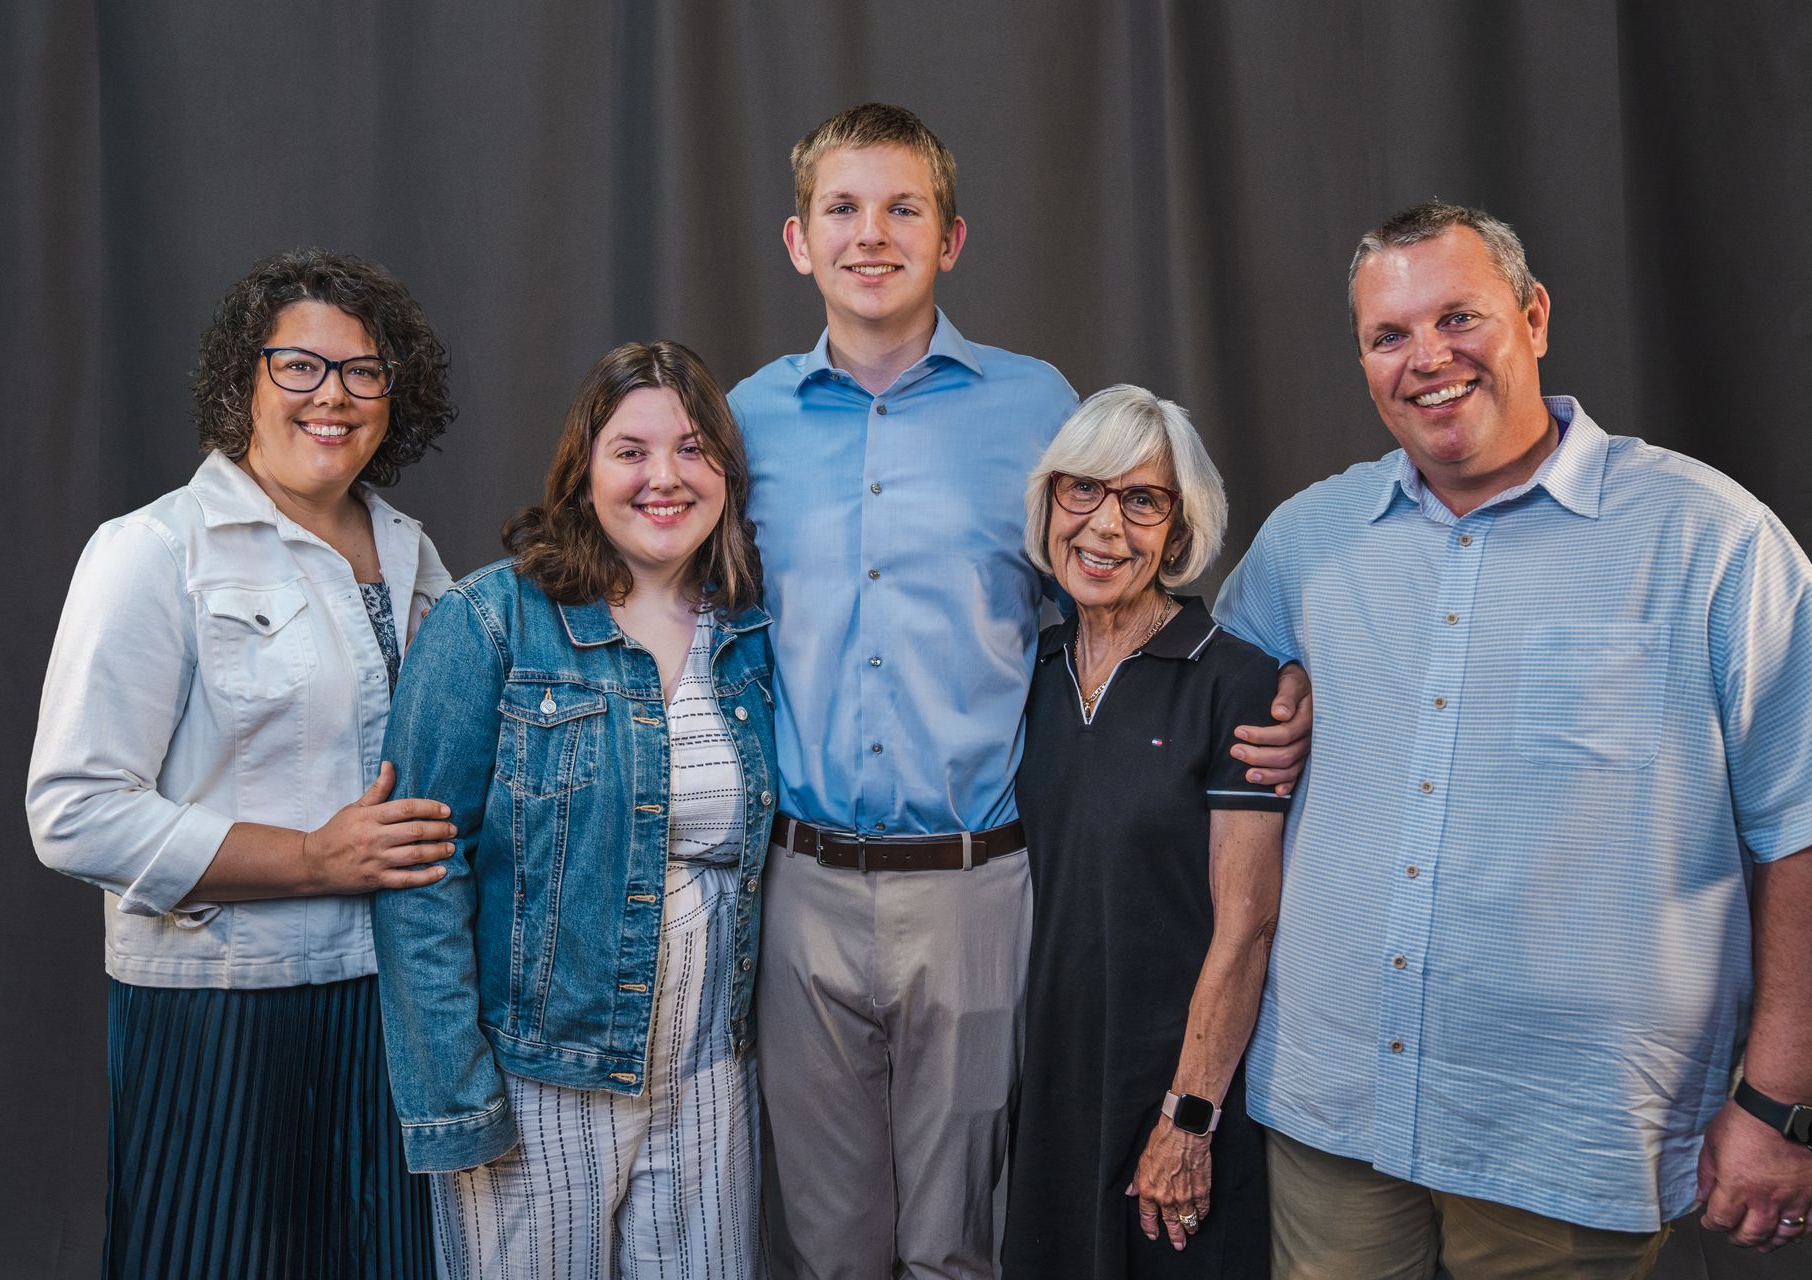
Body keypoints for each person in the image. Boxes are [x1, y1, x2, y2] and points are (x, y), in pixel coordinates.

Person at [728, 101, 1311, 1280]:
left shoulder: (1037, 403)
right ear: (800, 240)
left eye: (905, 208)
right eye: (842, 208)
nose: (871, 234)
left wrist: (1266, 671)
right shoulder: (741, 423)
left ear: (953, 238)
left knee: (965, 1241)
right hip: (798, 883)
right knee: (829, 1244)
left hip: (977, 882)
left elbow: (1125, 559)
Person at [1214, 201, 1812, 1278]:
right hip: (1333, 1107)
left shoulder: (1712, 541)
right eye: (1388, 336)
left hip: (1574, 1132)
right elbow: (1210, 714)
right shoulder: (1306, 543)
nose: (1426, 360)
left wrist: (1779, 1098)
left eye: (1459, 318)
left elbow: (1799, 826)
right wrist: (1276, 699)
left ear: (1534, 317)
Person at [26, 248, 458, 1277]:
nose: (334, 396)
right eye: (299, 365)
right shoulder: (153, 550)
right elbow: (74, 811)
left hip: (395, 1001)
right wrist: (314, 856)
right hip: (219, 1010)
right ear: (243, 382)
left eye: (364, 372)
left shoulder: (413, 555)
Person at [372, 341, 775, 1279]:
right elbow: (419, 876)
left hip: (712, 1075)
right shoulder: (490, 623)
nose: (664, 477)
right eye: (631, 450)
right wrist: (458, 1102)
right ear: (582, 470)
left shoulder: (749, 633)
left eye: (692, 448)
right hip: (540, 1081)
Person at [1003, 386, 1288, 1279]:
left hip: (1170, 1089)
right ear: (1049, 501)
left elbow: (1246, 927)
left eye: (1143, 500)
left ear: (1179, 528)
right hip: (1045, 1087)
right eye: (1082, 490)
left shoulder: (1232, 683)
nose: (1105, 527)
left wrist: (1190, 1115)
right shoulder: (1025, 670)